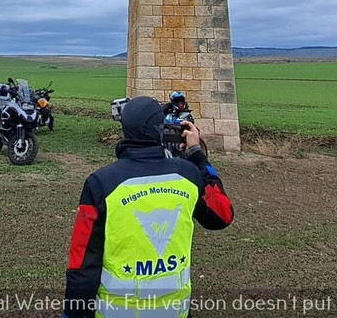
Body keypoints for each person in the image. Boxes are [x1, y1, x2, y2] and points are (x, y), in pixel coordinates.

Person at [63, 96, 233, 318]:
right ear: (161, 129)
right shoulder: (187, 174)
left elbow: (82, 261)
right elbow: (222, 215)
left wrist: (73, 314)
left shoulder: (101, 183)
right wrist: (198, 157)